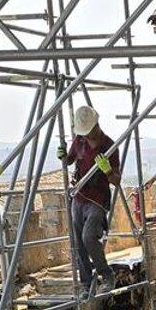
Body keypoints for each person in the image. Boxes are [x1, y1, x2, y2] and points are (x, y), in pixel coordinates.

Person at [64, 105, 120, 294]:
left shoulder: (109, 146)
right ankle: (86, 284)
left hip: (97, 199)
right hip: (78, 198)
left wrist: (108, 170)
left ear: (96, 125)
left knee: (89, 237)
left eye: (89, 132)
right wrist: (63, 155)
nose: (87, 137)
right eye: (84, 134)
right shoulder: (79, 142)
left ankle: (107, 275)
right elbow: (69, 160)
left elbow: (116, 181)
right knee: (78, 242)